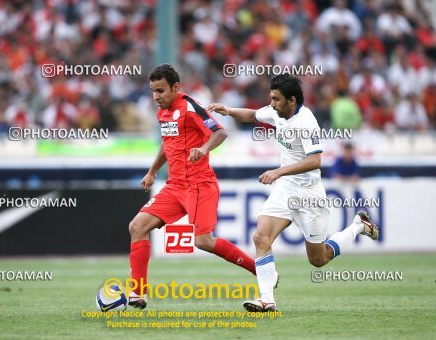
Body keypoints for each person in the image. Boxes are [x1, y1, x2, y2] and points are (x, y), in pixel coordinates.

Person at [206, 74, 379, 312]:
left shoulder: (307, 122)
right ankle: (267, 299)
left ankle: (358, 225)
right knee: (261, 237)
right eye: (271, 99)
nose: (273, 104)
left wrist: (278, 171)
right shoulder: (278, 112)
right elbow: (252, 115)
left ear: (292, 100)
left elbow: (316, 160)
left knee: (319, 259)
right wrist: (228, 110)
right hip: (286, 189)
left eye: (276, 99)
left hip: (309, 194)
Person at [128, 64, 265, 309]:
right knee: (137, 226)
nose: (155, 97)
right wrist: (152, 171)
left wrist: (203, 149)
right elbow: (167, 143)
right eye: (152, 91)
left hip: (199, 184)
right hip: (175, 186)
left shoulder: (190, 107)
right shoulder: (163, 112)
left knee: (202, 241)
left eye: (160, 91)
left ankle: (261, 270)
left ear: (176, 87)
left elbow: (220, 132)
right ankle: (138, 293)